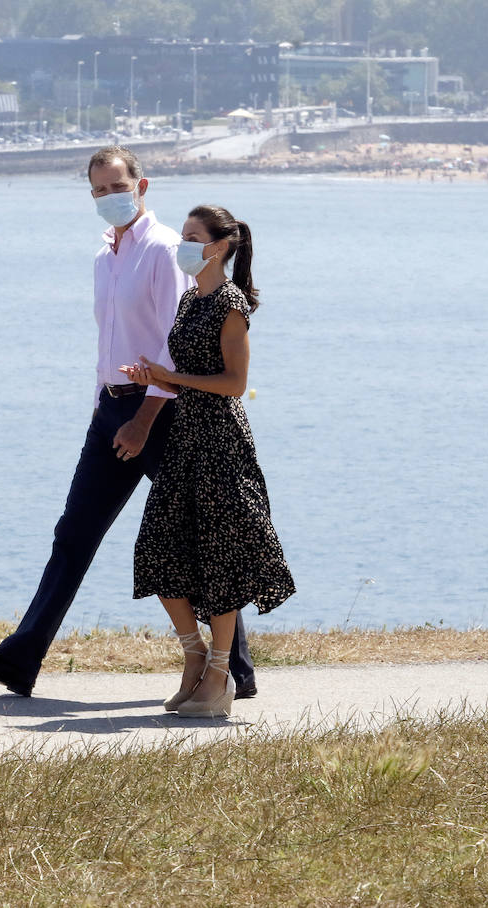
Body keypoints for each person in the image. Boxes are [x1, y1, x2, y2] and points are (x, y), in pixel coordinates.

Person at [0, 146, 258, 699]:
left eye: (116, 188)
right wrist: (103, 405)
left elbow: (180, 346)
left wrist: (144, 417)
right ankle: (19, 662)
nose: (107, 199)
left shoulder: (168, 251)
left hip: (162, 413)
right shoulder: (104, 257)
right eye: (97, 191)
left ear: (141, 187)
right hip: (111, 411)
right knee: (73, 534)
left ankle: (235, 672)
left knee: (198, 537)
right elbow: (111, 339)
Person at [121, 204, 295, 718]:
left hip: (220, 441)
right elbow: (182, 368)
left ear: (217, 247)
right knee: (158, 549)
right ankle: (194, 655)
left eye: (193, 237)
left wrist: (171, 379)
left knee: (220, 557)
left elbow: (234, 385)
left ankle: (219, 676)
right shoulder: (188, 301)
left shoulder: (231, 304)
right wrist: (151, 376)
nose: (183, 244)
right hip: (184, 439)